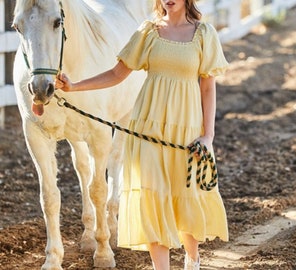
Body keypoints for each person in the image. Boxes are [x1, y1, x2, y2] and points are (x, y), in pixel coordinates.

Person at [55, 0, 228, 269]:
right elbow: (116, 74)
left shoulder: (204, 34)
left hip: (188, 130)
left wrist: (208, 136)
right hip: (147, 130)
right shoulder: (148, 31)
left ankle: (192, 260)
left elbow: (207, 88)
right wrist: (74, 87)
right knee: (151, 199)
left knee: (188, 196)